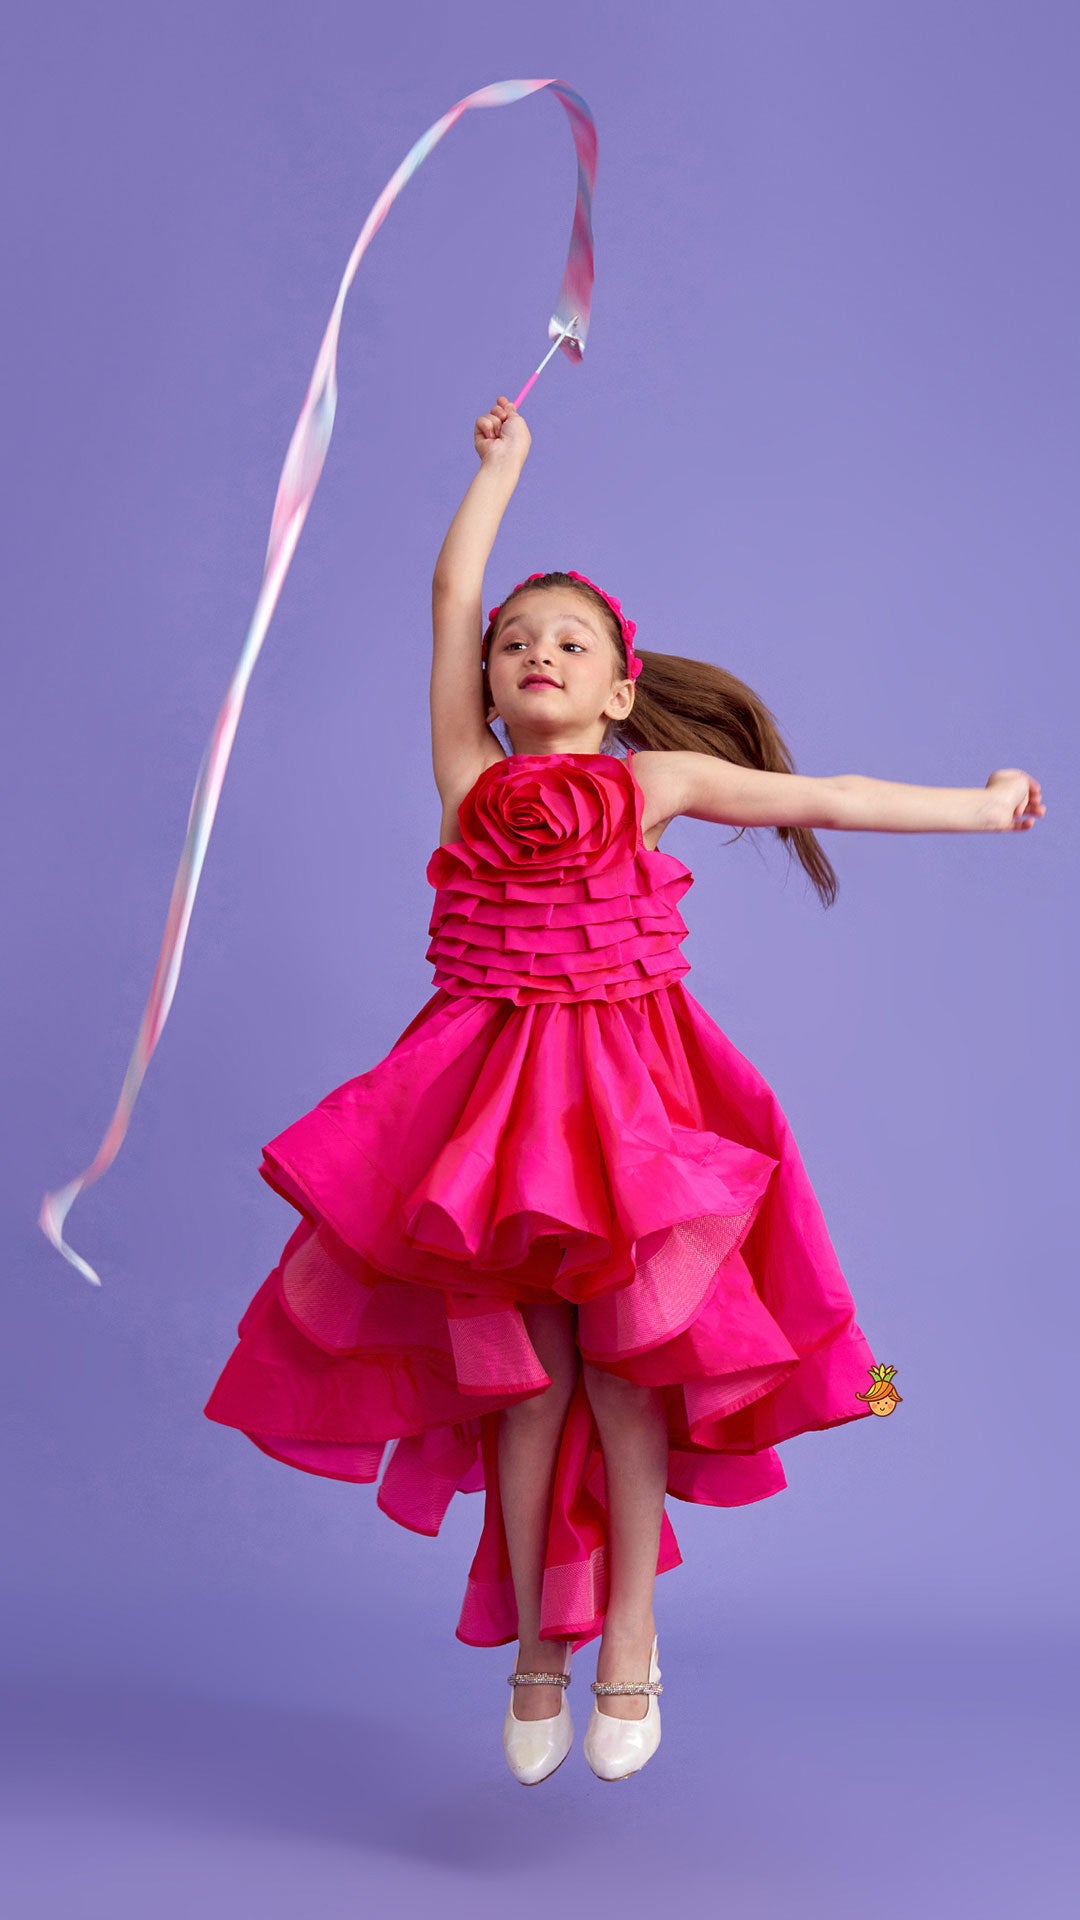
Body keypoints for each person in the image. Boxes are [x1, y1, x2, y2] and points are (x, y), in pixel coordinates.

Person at [203, 394, 1046, 1788]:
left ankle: (634, 1640)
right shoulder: (468, 778)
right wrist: (502, 471)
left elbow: (824, 794)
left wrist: (982, 802)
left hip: (634, 1113)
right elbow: (447, 587)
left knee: (630, 1374)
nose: (536, 651)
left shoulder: (653, 776)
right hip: (485, 1119)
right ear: (486, 685)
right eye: (515, 644)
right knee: (525, 1389)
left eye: (569, 641)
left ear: (616, 686)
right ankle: (543, 1648)